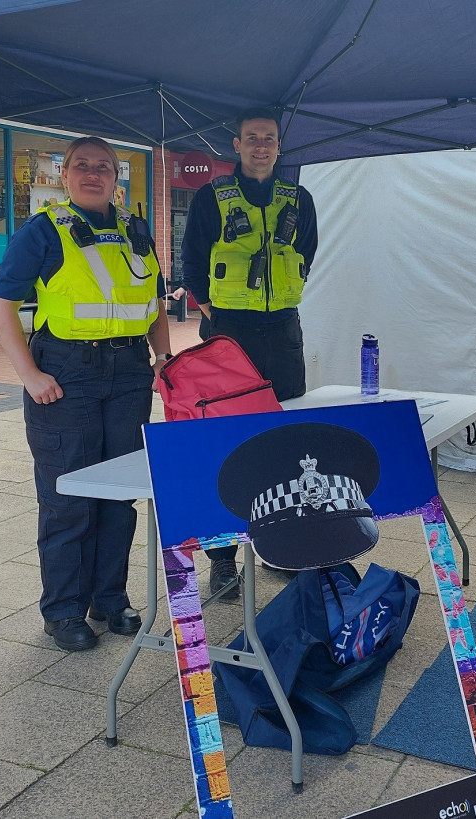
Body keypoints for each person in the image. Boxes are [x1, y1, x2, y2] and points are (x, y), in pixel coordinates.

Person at [0, 136, 172, 651]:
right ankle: (64, 611)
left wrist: (162, 356)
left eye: (104, 167)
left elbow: (153, 300)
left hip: (130, 372)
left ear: (117, 178)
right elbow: (1, 304)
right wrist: (29, 375)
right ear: (64, 175)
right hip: (68, 375)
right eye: (82, 166)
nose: (93, 174)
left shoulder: (137, 230)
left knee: (120, 495)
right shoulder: (43, 231)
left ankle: (109, 599)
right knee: (68, 495)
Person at [182, 107, 318, 597]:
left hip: (282, 330)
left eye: (270, 138)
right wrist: (214, 313)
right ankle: (223, 562)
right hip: (229, 332)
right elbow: (192, 262)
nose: (262, 145)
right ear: (236, 146)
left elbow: (306, 254)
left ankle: (281, 546)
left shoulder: (298, 199)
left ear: (279, 147)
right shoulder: (210, 197)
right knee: (226, 440)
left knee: (285, 437)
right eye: (252, 138)